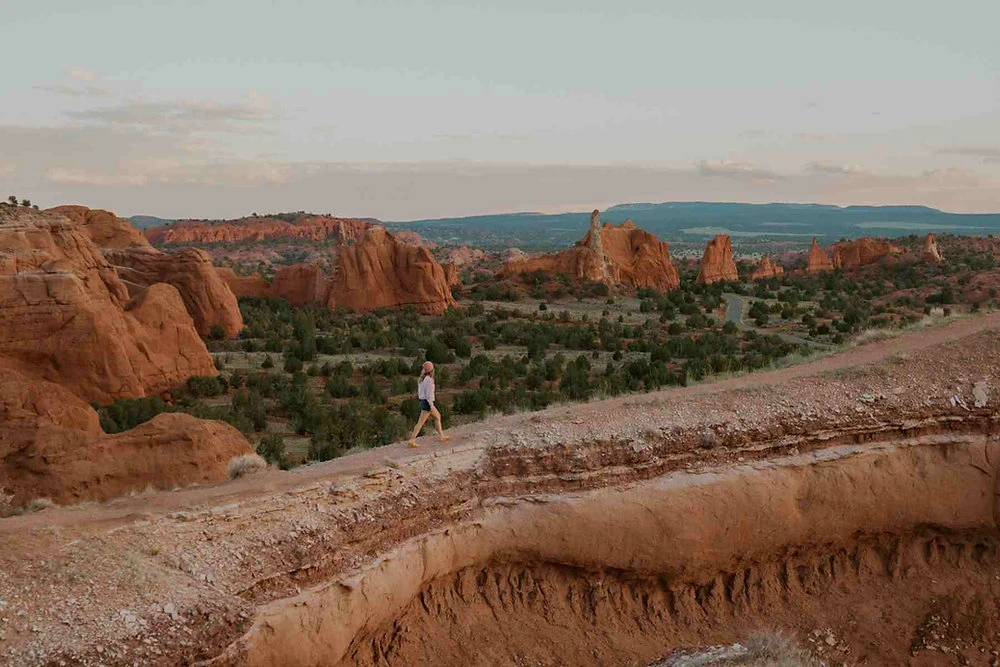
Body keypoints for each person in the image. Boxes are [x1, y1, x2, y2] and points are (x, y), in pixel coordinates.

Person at [409, 361, 449, 447]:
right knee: (420, 422)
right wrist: (431, 406)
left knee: (437, 417)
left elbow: (421, 394)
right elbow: (429, 395)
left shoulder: (421, 380)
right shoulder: (429, 380)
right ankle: (412, 440)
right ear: (431, 371)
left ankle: (442, 436)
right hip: (428, 403)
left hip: (423, 402)